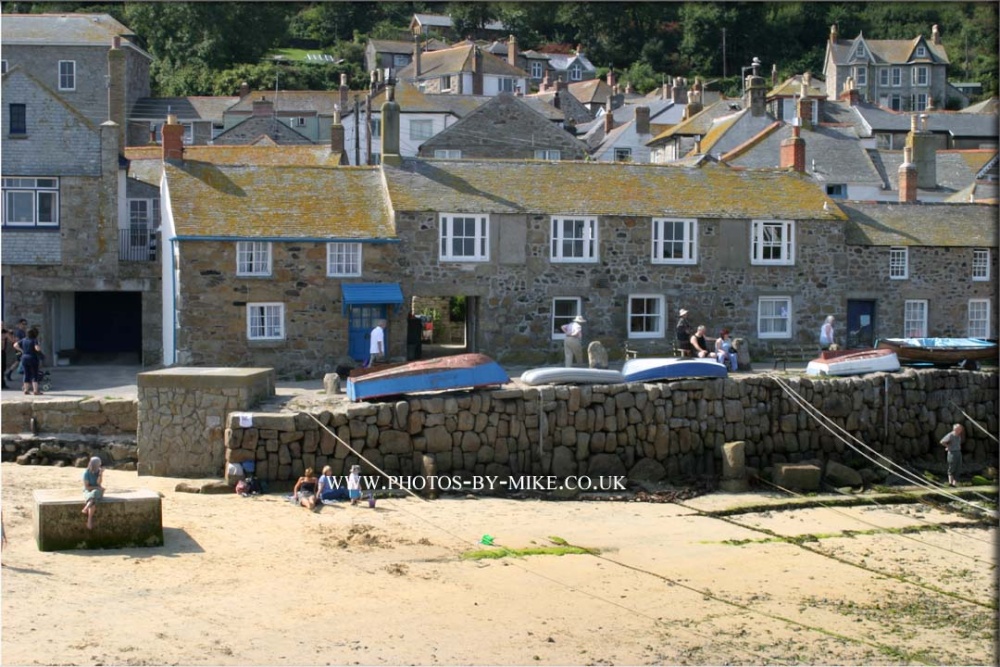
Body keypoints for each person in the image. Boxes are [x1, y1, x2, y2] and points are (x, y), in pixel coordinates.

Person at [13, 327, 43, 395]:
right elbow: (37, 349)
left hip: (24, 357)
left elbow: (15, 345)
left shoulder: (23, 340)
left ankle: (26, 390)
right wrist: (39, 345)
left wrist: (21, 350)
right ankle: (35, 390)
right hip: (33, 358)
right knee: (35, 374)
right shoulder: (34, 340)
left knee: (26, 374)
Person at [82, 456, 104, 529]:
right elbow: (87, 487)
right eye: (98, 464)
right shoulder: (86, 473)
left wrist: (100, 474)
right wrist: (97, 488)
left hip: (97, 491)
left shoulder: (98, 471)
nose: (99, 465)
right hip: (88, 490)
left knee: (94, 493)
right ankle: (89, 520)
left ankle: (86, 508)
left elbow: (98, 483)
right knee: (93, 501)